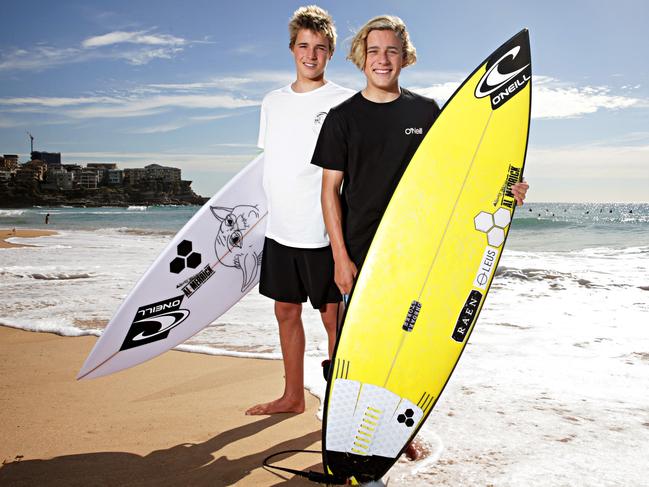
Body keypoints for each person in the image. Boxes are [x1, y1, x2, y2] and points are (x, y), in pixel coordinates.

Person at [311, 15, 529, 459]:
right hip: (361, 248)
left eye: (392, 51)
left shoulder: (426, 112)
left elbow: (456, 179)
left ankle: (394, 434)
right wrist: (339, 255)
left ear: (404, 57)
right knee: (355, 343)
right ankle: (345, 434)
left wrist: (507, 191)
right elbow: (329, 192)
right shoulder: (342, 118)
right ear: (360, 57)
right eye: (374, 51)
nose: (382, 59)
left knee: (407, 340)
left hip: (418, 249)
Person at [245, 6, 354, 416]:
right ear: (292, 48)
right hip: (281, 229)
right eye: (304, 46)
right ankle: (293, 396)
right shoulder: (271, 101)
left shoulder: (345, 101)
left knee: (335, 321)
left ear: (330, 53)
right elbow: (271, 163)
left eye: (321, 48)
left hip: (325, 233)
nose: (311, 55)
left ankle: (345, 406)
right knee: (285, 311)